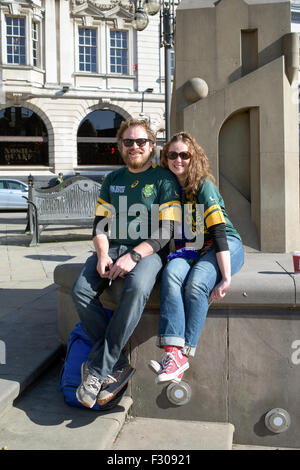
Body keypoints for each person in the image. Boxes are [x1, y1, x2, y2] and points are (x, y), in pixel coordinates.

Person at [71, 119, 181, 408]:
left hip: (147, 253)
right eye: (128, 142)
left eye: (141, 142)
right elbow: (99, 225)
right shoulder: (112, 178)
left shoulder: (164, 180)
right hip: (112, 248)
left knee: (136, 288)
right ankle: (117, 363)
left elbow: (166, 231)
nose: (135, 147)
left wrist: (134, 256)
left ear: (151, 146)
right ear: (120, 145)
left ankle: (97, 369)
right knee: (80, 290)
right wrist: (104, 253)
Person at [148, 131, 244, 384]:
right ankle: (172, 353)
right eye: (172, 155)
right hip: (194, 246)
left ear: (194, 157)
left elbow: (219, 232)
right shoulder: (168, 187)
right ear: (165, 158)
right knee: (171, 274)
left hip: (225, 245)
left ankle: (185, 351)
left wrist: (225, 277)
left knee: (197, 284)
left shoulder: (203, 185)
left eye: (184, 155)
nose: (178, 160)